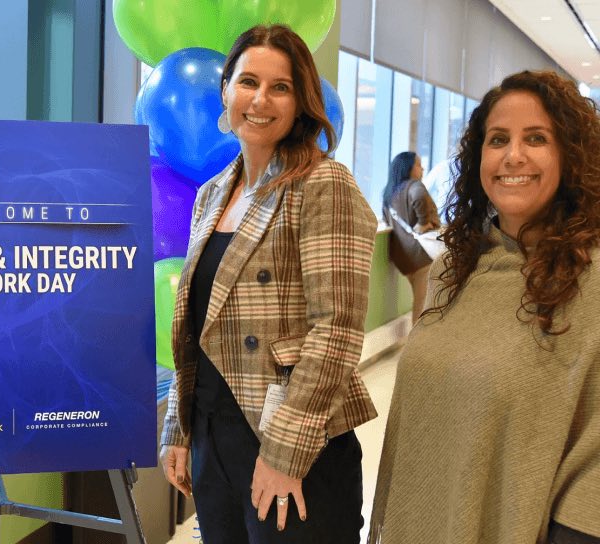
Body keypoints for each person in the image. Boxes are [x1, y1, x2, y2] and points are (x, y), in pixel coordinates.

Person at [158, 24, 378, 543]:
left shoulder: (323, 183)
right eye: (248, 81)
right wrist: (181, 430)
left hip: (293, 439)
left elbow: (337, 331)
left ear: (301, 102)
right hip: (214, 435)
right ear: (225, 92)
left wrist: (285, 453)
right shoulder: (211, 195)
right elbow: (194, 328)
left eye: (280, 87)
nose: (260, 99)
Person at [370, 70, 600, 543]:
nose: (513, 155)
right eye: (498, 139)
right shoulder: (457, 269)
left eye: (536, 138)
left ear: (571, 155)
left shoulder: (590, 276)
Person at [382, 151, 440, 320]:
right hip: (422, 255)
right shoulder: (415, 186)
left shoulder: (389, 193)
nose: (422, 168)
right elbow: (419, 196)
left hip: (403, 259)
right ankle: (418, 345)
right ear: (408, 167)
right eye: (418, 164)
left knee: (420, 300)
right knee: (422, 306)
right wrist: (423, 222)